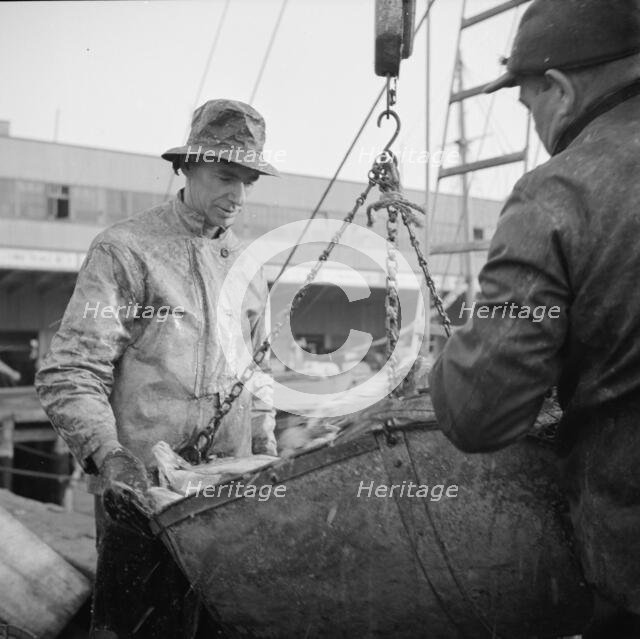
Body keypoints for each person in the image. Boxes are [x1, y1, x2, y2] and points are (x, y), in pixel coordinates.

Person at [428, 1, 640, 637]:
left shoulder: (560, 193)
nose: (543, 129)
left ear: (560, 87)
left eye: (528, 105)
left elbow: (479, 412)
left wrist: (449, 362)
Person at [35, 99, 280, 638]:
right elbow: (71, 371)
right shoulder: (127, 251)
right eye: (223, 175)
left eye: (247, 179)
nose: (237, 194)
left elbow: (256, 374)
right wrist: (110, 456)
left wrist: (265, 452)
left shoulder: (247, 265)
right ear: (186, 167)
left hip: (227, 503)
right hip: (141, 500)